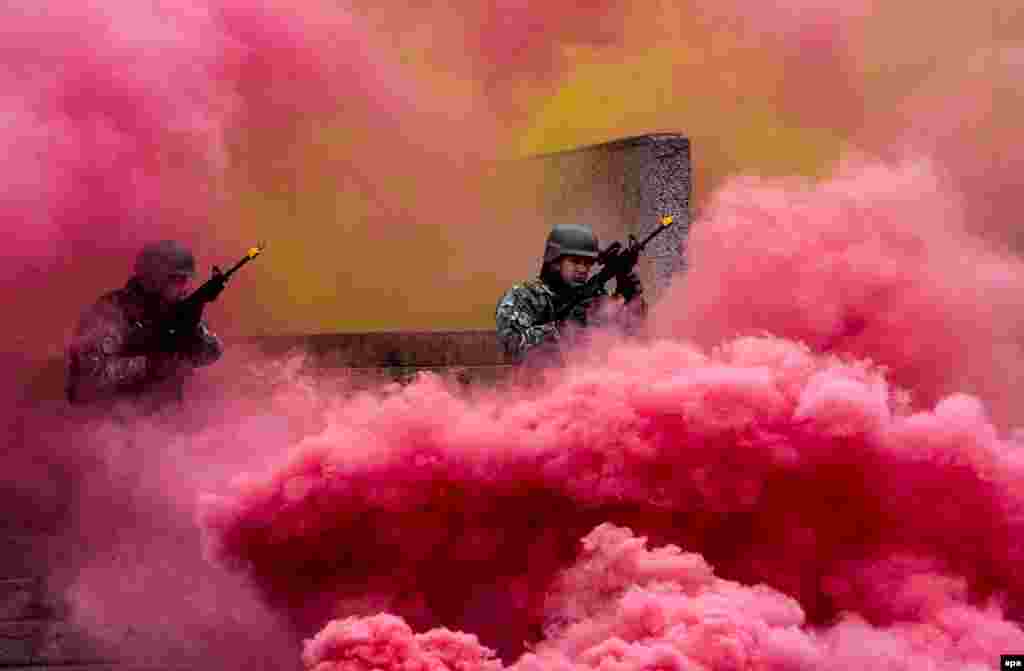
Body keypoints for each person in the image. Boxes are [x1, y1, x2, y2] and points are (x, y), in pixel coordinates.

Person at [65, 240, 223, 408]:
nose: (185, 287)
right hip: (113, 423)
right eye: (178, 280)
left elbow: (210, 353)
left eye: (187, 280)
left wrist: (194, 341)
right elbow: (87, 379)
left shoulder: (180, 311)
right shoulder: (113, 312)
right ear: (153, 278)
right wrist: (149, 364)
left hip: (166, 422)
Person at [495, 223, 645, 363]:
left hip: (591, 383)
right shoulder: (524, 297)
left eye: (587, 263)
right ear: (554, 262)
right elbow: (512, 346)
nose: (582, 269)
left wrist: (627, 299)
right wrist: (567, 326)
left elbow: (631, 339)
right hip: (534, 387)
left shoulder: (592, 298)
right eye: (575, 261)